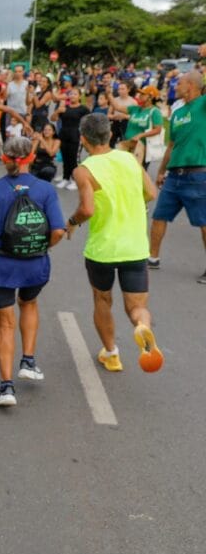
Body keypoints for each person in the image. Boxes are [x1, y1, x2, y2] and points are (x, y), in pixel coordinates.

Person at [0, 136, 66, 407]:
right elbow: (58, 230)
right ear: (31, 157)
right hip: (34, 263)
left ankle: (6, 387)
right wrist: (42, 247)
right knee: (30, 302)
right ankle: (29, 361)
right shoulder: (45, 190)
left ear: (5, 158)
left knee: (4, 322)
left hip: (1, 262)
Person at [67, 113, 163, 373]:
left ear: (83, 139)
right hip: (134, 247)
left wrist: (72, 223)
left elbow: (87, 209)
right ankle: (142, 327)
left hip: (103, 250)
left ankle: (111, 354)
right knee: (137, 307)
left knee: (102, 300)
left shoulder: (83, 170)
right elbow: (151, 193)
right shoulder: (130, 159)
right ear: (109, 135)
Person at [147, 70, 206, 283]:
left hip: (198, 175)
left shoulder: (203, 105)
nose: (175, 86)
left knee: (204, 222)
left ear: (191, 85)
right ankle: (153, 258)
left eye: (179, 83)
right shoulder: (178, 114)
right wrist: (162, 170)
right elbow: (171, 146)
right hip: (174, 175)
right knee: (159, 217)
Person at [111, 85, 163, 168]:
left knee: (138, 174)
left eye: (143, 94)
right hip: (128, 145)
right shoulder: (135, 109)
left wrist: (140, 135)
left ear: (150, 97)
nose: (139, 95)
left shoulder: (155, 112)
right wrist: (109, 94)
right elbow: (117, 107)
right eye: (139, 93)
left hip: (142, 149)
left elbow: (157, 130)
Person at [51, 88, 91, 191]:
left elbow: (90, 121)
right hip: (63, 134)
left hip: (75, 135)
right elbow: (53, 119)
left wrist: (85, 135)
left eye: (75, 94)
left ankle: (75, 180)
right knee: (65, 157)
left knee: (73, 159)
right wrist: (57, 111)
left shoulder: (83, 109)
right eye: (71, 94)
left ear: (79, 96)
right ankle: (65, 177)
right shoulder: (64, 108)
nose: (72, 96)